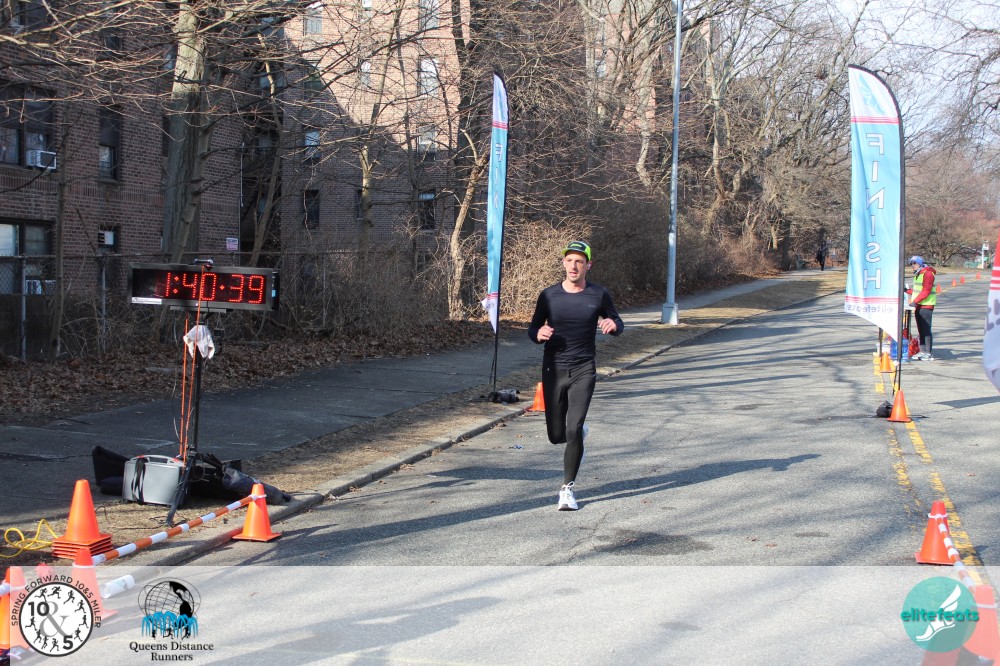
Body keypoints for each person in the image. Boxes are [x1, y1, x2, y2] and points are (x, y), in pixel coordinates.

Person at [528, 241, 624, 511]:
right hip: (553, 368)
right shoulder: (548, 295)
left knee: (572, 428)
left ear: (588, 265)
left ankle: (567, 490)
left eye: (579, 261)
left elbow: (618, 323)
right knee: (556, 435)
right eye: (569, 260)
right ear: (563, 263)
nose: (574, 266)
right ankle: (578, 433)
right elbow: (533, 328)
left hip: (584, 368)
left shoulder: (599, 294)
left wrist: (613, 325)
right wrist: (538, 334)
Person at [906, 255, 936, 360]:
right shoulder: (918, 274)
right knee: (921, 330)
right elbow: (917, 291)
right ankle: (922, 351)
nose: (912, 265)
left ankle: (928, 353)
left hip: (926, 305)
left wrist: (915, 302)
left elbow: (926, 291)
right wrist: (907, 291)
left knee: (926, 330)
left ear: (920, 263)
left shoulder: (928, 273)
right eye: (911, 263)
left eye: (914, 263)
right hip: (919, 305)